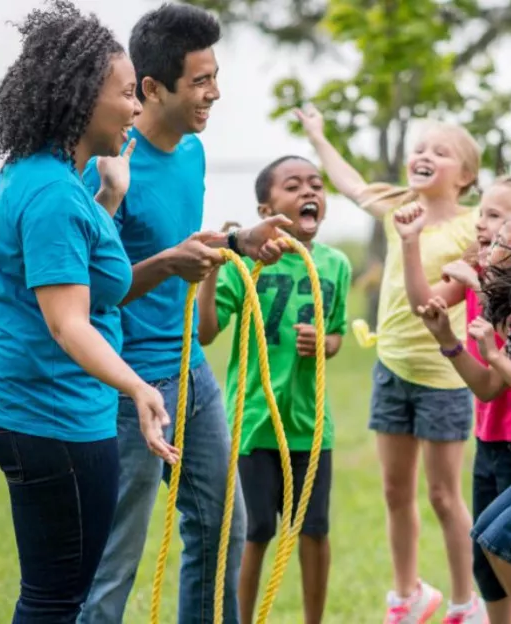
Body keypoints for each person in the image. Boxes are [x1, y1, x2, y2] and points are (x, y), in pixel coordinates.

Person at [77, 5, 290, 623]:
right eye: (200, 81)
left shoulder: (192, 152)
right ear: (150, 88)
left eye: (215, 76)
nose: (214, 93)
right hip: (132, 388)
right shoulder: (110, 168)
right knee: (115, 560)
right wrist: (170, 265)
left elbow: (179, 242)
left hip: (192, 375)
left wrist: (237, 240)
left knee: (222, 530)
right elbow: (90, 293)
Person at [0, 2, 180, 621]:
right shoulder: (55, 195)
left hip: (30, 405)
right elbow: (68, 322)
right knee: (58, 601)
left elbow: (81, 276)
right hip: (52, 417)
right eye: (125, 95)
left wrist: (110, 197)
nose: (137, 110)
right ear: (85, 99)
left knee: (53, 593)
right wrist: (140, 388)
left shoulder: (47, 175)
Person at [295, 103, 486, 623]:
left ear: (465, 176)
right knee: (394, 490)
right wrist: (318, 135)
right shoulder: (399, 205)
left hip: (443, 378)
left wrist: (409, 240)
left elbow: (437, 304)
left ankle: (467, 603)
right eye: (419, 149)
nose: (423, 156)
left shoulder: (473, 230)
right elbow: (352, 183)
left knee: (445, 496)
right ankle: (408, 596)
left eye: (440, 152)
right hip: (391, 369)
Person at [197, 155, 352, 624]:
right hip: (253, 422)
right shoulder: (243, 265)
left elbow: (338, 332)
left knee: (314, 529)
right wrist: (208, 277)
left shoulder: (337, 264)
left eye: (316, 184)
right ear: (267, 208)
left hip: (309, 424)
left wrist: (323, 343)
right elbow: (206, 333)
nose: (309, 192)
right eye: (293, 185)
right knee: (255, 529)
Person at [415, 207, 511, 624]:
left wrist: (497, 354)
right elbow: (486, 387)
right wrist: (447, 339)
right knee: (489, 535)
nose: (489, 243)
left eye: (502, 242)